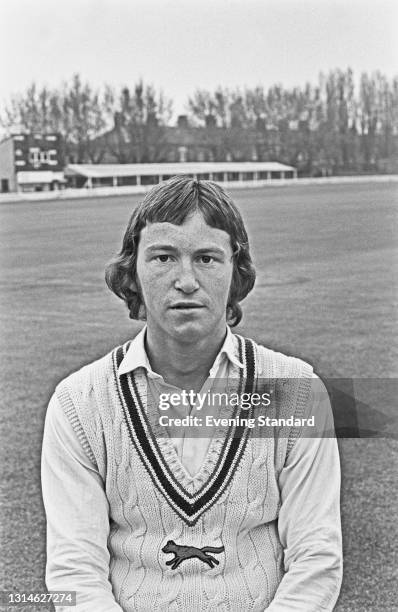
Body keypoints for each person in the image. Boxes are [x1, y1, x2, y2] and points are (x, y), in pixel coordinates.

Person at [41, 176, 342, 611]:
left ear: (235, 273)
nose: (186, 280)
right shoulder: (79, 403)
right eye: (163, 257)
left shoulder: (296, 392)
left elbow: (316, 559)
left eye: (206, 258)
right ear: (134, 273)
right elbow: (76, 568)